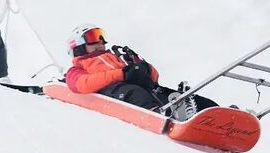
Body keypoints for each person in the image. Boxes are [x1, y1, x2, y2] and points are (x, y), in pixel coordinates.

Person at [64, 26, 217, 119]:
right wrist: (122, 74)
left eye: (101, 37)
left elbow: (155, 77)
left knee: (166, 93)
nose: (100, 42)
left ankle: (212, 113)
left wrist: (144, 69)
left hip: (145, 88)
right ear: (78, 45)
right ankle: (160, 114)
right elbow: (81, 84)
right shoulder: (77, 68)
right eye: (93, 38)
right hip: (116, 91)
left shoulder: (118, 56)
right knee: (134, 92)